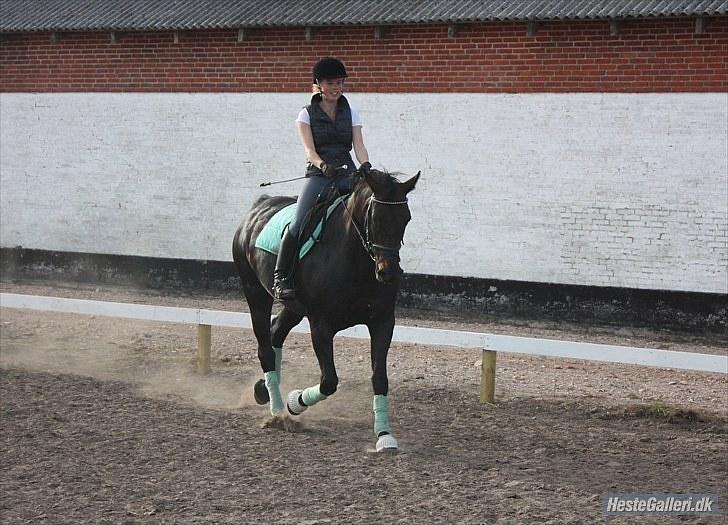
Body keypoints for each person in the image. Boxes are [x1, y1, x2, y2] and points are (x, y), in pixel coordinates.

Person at [273, 57, 372, 300]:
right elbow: (309, 150)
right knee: (299, 222)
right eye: (331, 83)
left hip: (347, 172)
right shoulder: (305, 114)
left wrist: (366, 166)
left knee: (369, 212)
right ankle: (281, 277)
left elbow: (358, 145)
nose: (336, 88)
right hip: (320, 174)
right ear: (318, 84)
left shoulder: (352, 113)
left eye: (340, 83)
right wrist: (322, 165)